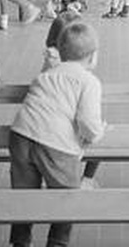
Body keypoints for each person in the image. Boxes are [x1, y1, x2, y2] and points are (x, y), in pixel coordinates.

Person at [9, 22, 106, 247]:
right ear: (92, 57)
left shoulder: (45, 75)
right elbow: (87, 122)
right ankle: (57, 242)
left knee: (24, 196)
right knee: (67, 198)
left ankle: (20, 242)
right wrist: (97, 133)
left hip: (20, 135)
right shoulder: (89, 81)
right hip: (55, 144)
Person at [40, 11, 102, 189]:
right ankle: (86, 179)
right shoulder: (58, 62)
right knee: (98, 135)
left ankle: (82, 179)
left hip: (48, 123)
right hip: (61, 126)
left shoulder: (52, 58)